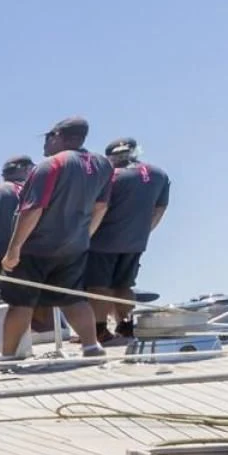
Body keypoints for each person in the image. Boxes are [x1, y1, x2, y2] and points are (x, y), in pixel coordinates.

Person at [0, 116, 114, 359]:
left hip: (36, 248)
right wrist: (84, 236)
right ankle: (92, 347)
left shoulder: (51, 165)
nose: (46, 144)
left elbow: (32, 209)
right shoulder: (103, 165)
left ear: (58, 136)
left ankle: (7, 356)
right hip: (73, 247)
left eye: (48, 137)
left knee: (21, 302)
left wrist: (13, 250)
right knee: (71, 297)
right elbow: (101, 207)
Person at [86, 137, 170, 341]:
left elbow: (98, 207)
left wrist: (84, 235)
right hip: (135, 242)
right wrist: (143, 231)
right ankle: (126, 326)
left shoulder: (110, 176)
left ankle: (99, 330)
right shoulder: (159, 174)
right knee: (124, 285)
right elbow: (160, 208)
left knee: (97, 286)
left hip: (102, 241)